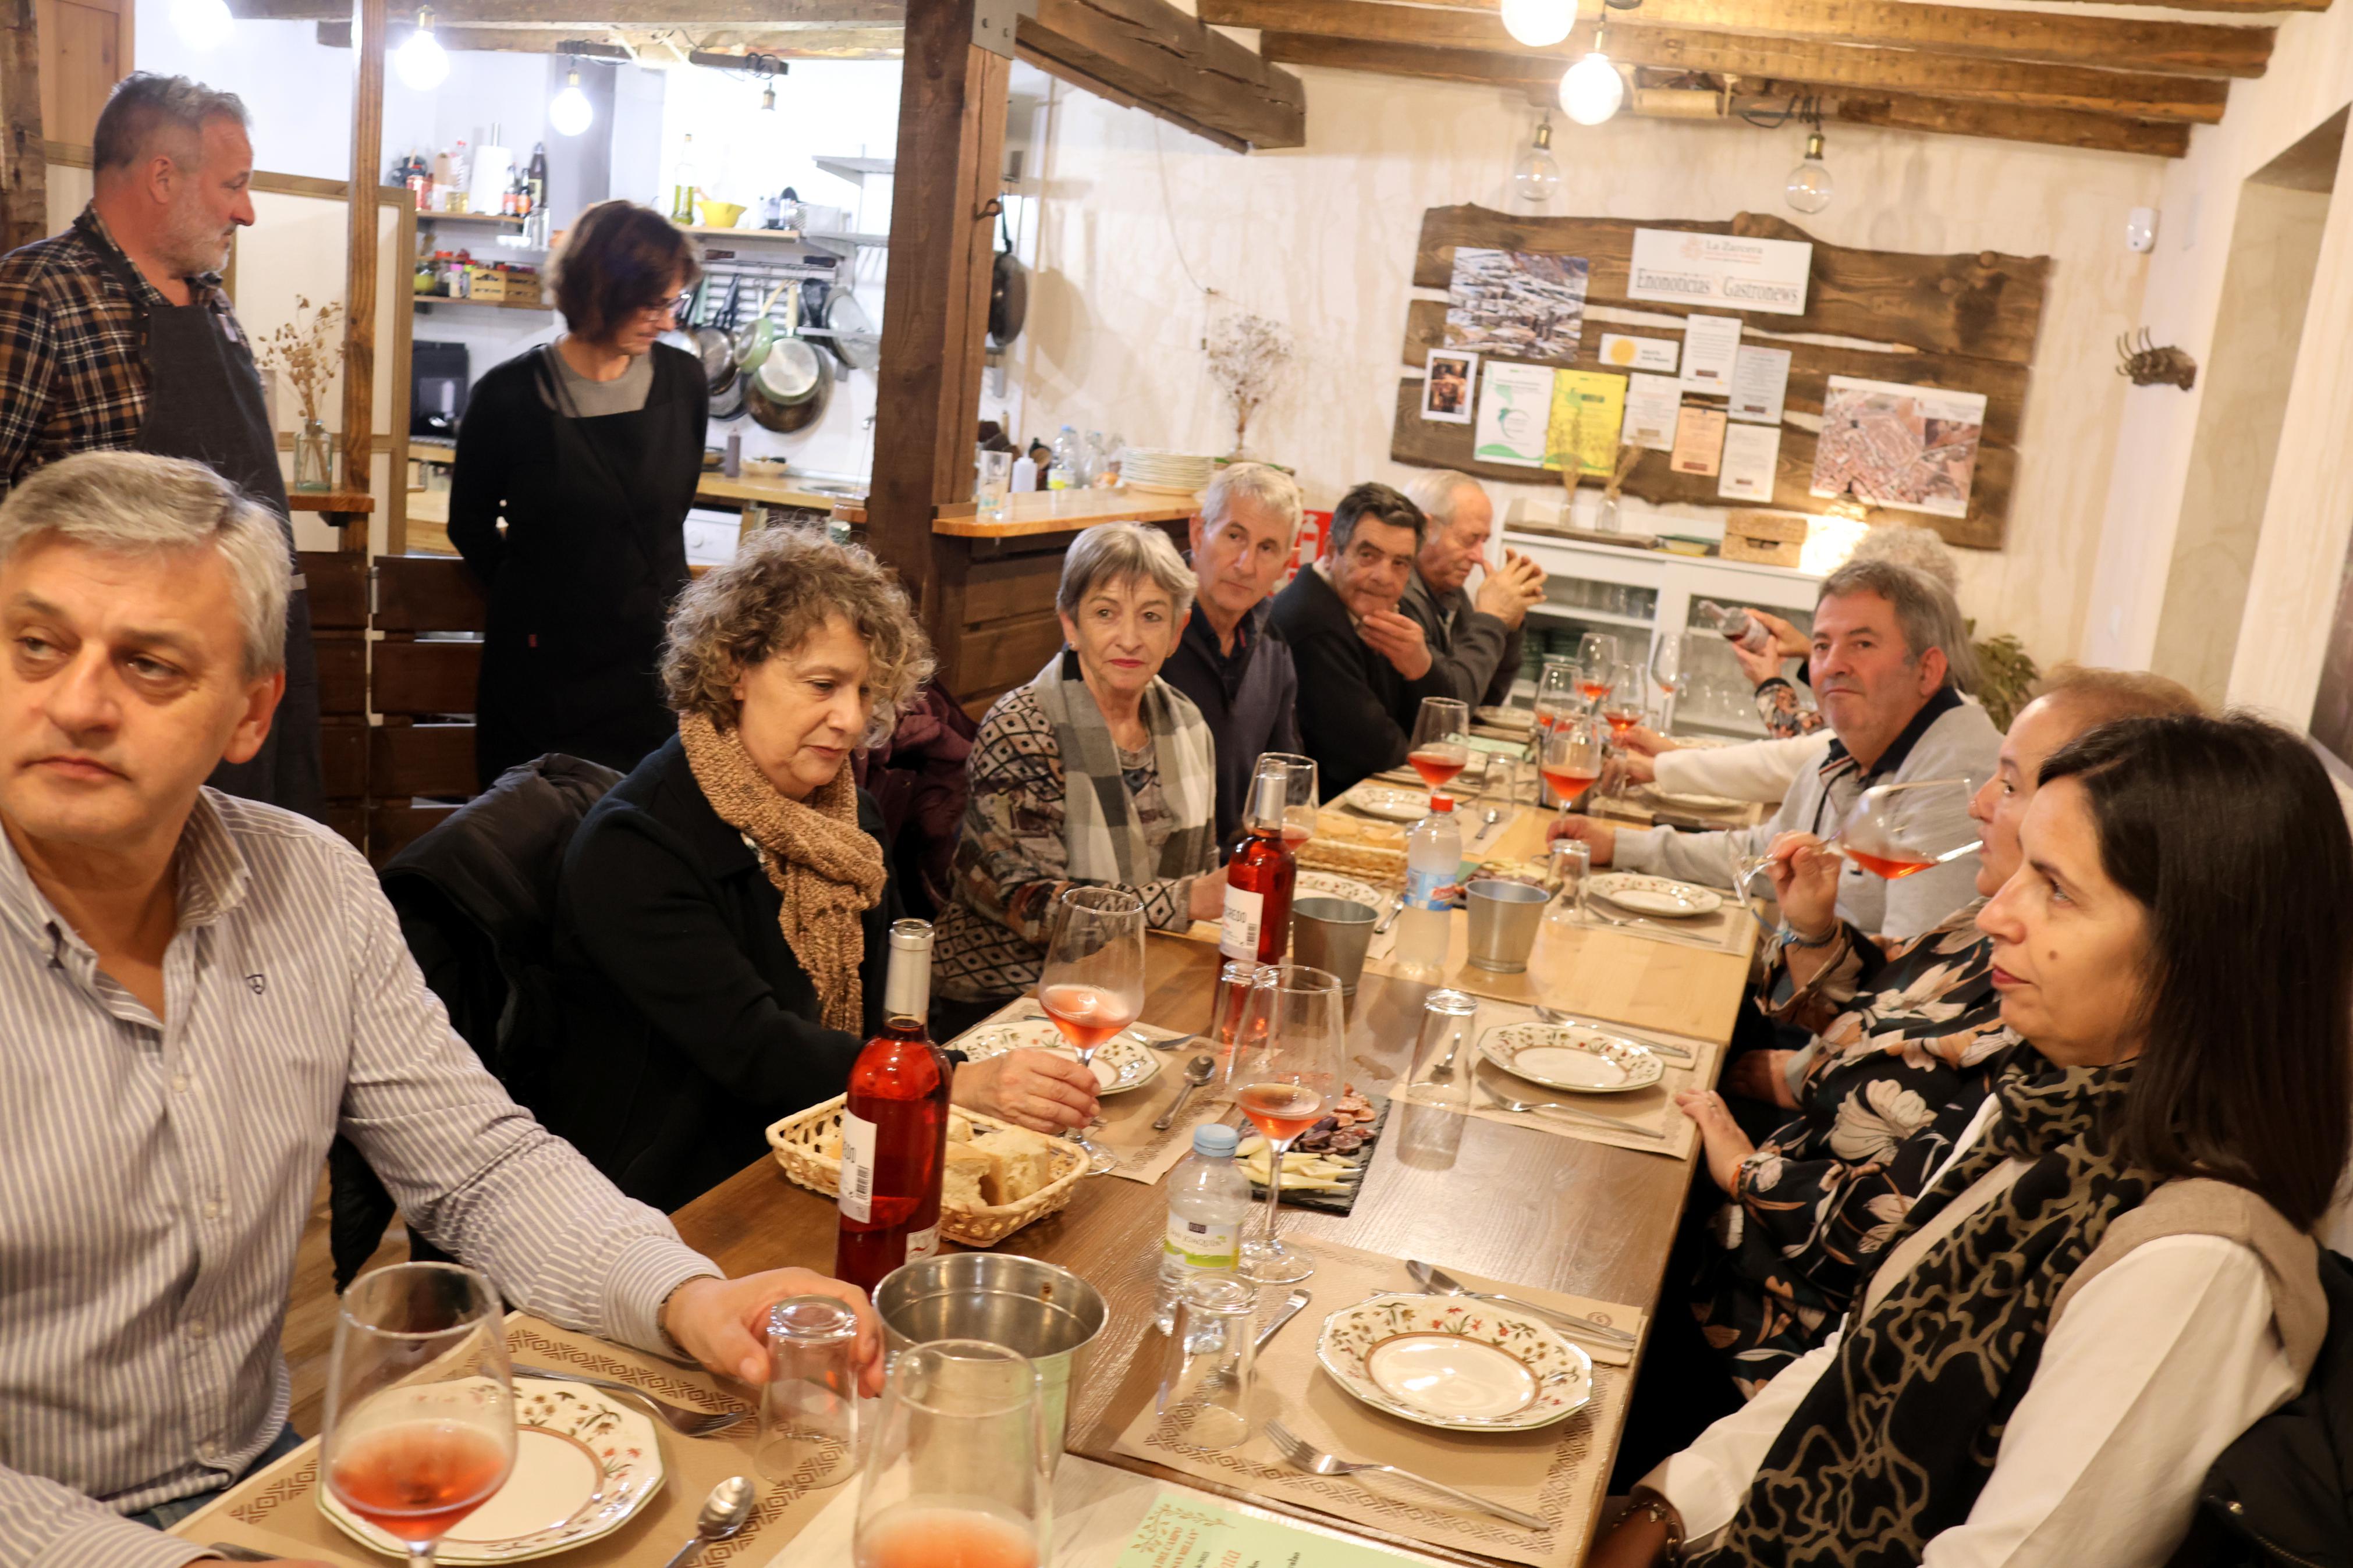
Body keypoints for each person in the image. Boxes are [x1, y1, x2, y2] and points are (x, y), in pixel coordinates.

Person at [0, 451, 887, 1567]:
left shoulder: (310, 887)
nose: (77, 702)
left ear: (250, 712)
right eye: (36, 644)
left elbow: (477, 1168)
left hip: (270, 1486)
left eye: (150, 664)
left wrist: (688, 1298)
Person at [1593, 712, 2350, 1568]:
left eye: (2055, 887)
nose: (1994, 911)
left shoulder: (2193, 1259)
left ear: (2202, 947)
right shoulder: (2045, 1102)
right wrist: (1659, 1507)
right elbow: (1858, 1354)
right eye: (2019, 863)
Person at [1669, 668, 2204, 1404]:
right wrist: (1813, 928)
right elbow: (1885, 996)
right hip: (1749, 1218)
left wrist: (1739, 1165)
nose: (1978, 803)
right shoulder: (1998, 922)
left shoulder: (2067, 1016)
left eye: (2011, 786)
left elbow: (1891, 1232)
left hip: (1762, 1322)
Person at [547, 526, 1096, 1211]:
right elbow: (755, 1049)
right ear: (733, 669)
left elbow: (892, 1009)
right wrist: (954, 1080)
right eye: (822, 684)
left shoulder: (848, 817)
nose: (849, 718)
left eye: (865, 692)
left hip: (830, 1142)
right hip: (676, 1189)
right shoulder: (636, 842)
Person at [0, 74, 321, 820]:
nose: (246, 210)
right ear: (163, 177)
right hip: (117, 706)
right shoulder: (35, 295)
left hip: (241, 678)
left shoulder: (211, 302)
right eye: (234, 184)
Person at [1551, 560, 2001, 941]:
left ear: (1927, 670)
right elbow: (1762, 854)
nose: (1831, 665)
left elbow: (1913, 975)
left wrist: (1803, 1048)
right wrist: (1620, 844)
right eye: (1822, 645)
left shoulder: (1955, 779)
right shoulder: (1850, 749)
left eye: (1862, 644)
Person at [449, 200, 708, 789]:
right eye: (654, 303)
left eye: (673, 303)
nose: (667, 321)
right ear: (603, 292)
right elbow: (467, 524)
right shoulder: (510, 396)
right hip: (544, 679)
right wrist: (538, 603)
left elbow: (671, 515)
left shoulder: (684, 383)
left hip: (654, 666)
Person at [934, 523, 1223, 1027]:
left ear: (1178, 631)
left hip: (1139, 981)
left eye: (1151, 616)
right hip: (1006, 1001)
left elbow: (1206, 867)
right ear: (1070, 624)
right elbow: (1034, 906)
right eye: (1105, 612)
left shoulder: (1187, 723)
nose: (1129, 638)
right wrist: (1187, 900)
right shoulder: (1022, 728)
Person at [1268, 482, 1458, 798]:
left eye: (1400, 563)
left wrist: (1422, 668)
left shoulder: (1391, 608)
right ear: (1331, 551)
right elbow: (1373, 755)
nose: (1384, 576)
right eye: (1368, 555)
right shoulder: (1311, 621)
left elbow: (1447, 728)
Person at [1159, 462, 1304, 845]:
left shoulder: (1273, 647)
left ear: (1286, 564)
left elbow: (1284, 780)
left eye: (1267, 548)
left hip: (1238, 869)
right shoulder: (1149, 628)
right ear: (1197, 532)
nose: (1246, 565)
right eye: (1234, 536)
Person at [1401, 470, 1545, 710]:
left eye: (1483, 542)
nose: (1479, 557)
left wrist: (1509, 627)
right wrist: (1491, 619)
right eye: (1469, 540)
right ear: (1425, 529)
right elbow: (1450, 707)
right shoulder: (1398, 597)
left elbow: (1486, 700)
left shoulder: (1452, 594)